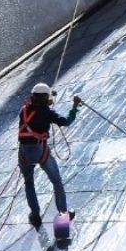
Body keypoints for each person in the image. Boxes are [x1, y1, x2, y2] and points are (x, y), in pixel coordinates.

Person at [18, 83, 81, 229]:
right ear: (45, 98)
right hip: (40, 151)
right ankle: (63, 214)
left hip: (23, 153)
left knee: (29, 183)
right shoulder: (47, 112)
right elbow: (66, 121)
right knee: (56, 181)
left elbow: (36, 112)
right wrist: (74, 106)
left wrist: (46, 103)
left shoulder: (23, 110)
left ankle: (35, 215)